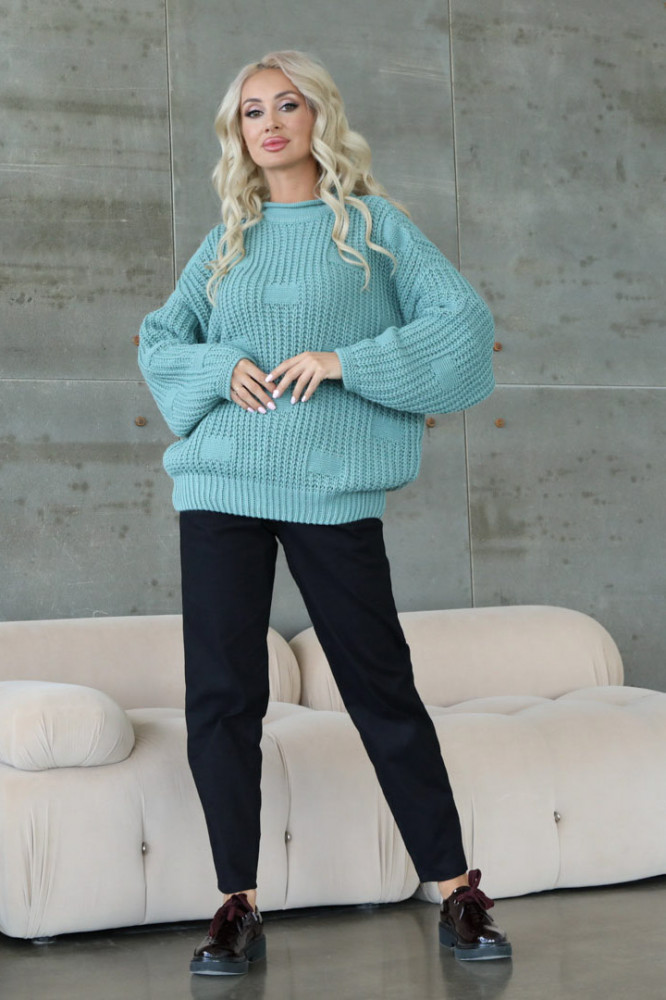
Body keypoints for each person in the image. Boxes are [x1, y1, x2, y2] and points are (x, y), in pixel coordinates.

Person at [137, 48, 512, 976]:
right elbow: (160, 341)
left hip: (330, 488)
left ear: (318, 118)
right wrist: (221, 366)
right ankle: (235, 904)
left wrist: (350, 362)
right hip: (220, 484)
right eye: (252, 111)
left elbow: (462, 324)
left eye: (287, 105)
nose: (269, 123)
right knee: (223, 697)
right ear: (238, 133)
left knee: (381, 687)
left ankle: (457, 891)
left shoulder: (374, 228)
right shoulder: (230, 237)